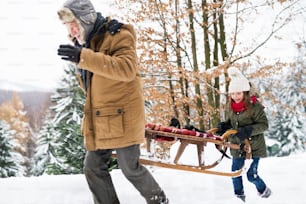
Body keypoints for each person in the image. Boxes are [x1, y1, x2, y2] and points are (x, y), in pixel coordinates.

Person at [56, 0, 168, 203]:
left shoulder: (119, 34)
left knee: (130, 168)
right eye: (67, 27)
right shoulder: (86, 45)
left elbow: (126, 69)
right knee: (92, 167)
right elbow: (91, 88)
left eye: (73, 24)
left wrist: (84, 56)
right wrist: (81, 58)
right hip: (101, 119)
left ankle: (159, 201)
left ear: (86, 19)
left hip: (124, 117)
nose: (71, 31)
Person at [217, 67, 272, 202]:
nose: (236, 96)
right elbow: (231, 123)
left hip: (252, 146)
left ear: (245, 93)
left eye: (239, 93)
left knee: (251, 175)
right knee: (235, 173)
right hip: (236, 145)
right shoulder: (229, 106)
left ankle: (264, 192)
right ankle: (239, 198)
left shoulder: (255, 107)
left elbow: (264, 125)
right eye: (233, 94)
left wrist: (248, 130)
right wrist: (224, 125)